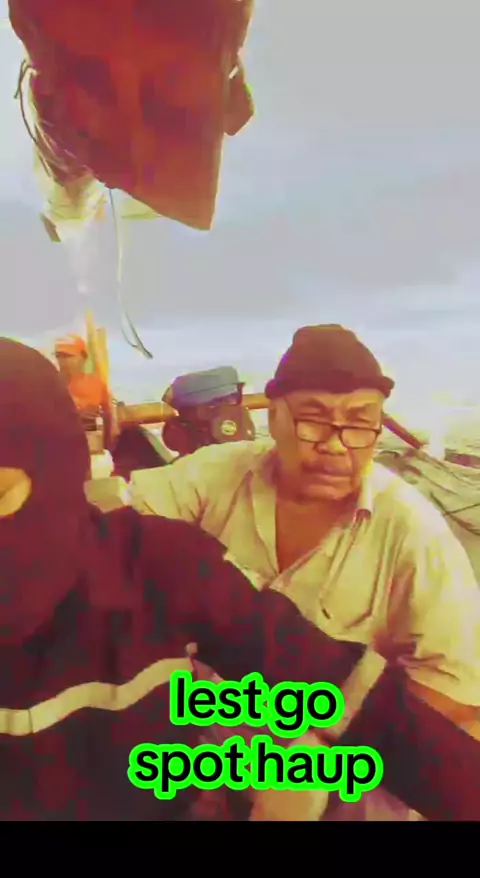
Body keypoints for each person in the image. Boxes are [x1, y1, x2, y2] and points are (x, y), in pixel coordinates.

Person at [130, 323, 480, 820]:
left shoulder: (412, 534)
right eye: (312, 421)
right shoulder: (214, 476)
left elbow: (455, 690)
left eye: (359, 424)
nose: (336, 446)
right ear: (272, 416)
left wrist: (318, 749)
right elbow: (117, 525)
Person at [54, 334, 109, 416]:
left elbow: (108, 415)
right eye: (59, 356)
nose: (63, 360)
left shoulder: (96, 385)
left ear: (84, 357)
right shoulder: (49, 385)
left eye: (68, 356)